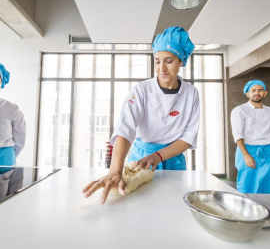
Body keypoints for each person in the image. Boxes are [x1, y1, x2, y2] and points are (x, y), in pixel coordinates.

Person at [83, 26, 200, 204]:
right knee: (137, 207)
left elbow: (188, 137)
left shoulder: (192, 93)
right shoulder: (142, 90)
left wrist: (159, 156)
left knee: (173, 207)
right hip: (140, 161)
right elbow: (125, 127)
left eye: (169, 61)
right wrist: (115, 170)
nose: (162, 68)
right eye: (157, 61)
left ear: (181, 61)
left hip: (173, 160)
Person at [230, 80, 270, 194]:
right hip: (248, 150)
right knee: (248, 186)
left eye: (260, 90)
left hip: (269, 153)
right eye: (253, 90)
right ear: (248, 94)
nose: (257, 93)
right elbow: (238, 135)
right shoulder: (239, 110)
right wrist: (246, 155)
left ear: (265, 93)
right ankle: (246, 211)